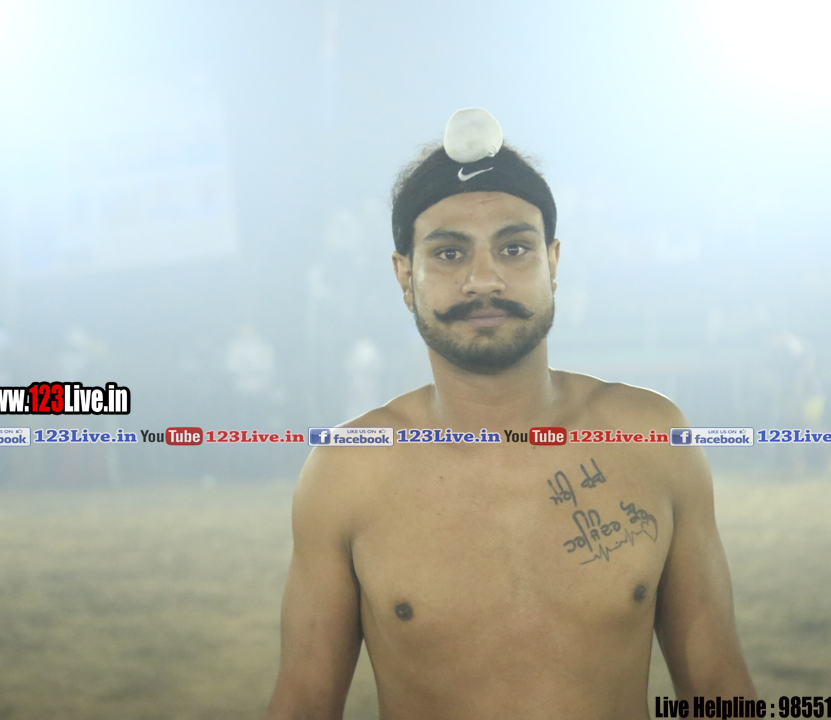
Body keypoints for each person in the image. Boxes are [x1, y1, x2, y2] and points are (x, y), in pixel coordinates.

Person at [264, 109, 754, 720]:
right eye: (449, 253)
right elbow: (303, 704)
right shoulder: (349, 469)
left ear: (552, 263)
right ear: (405, 276)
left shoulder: (652, 437)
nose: (483, 280)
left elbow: (718, 687)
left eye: (514, 248)